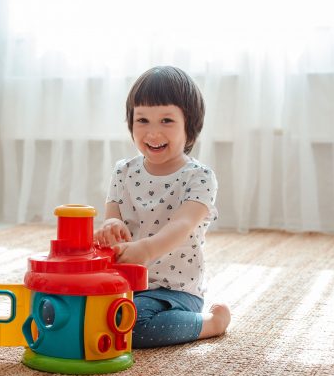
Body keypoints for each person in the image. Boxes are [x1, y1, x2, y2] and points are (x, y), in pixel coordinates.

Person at [94, 66, 231, 348]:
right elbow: (112, 217)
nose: (153, 132)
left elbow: (182, 224)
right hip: (123, 284)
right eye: (142, 120)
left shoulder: (199, 177)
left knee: (131, 329)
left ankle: (211, 324)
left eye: (166, 120)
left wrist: (146, 249)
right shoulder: (123, 171)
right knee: (87, 316)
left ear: (189, 125)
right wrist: (111, 227)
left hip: (174, 290)